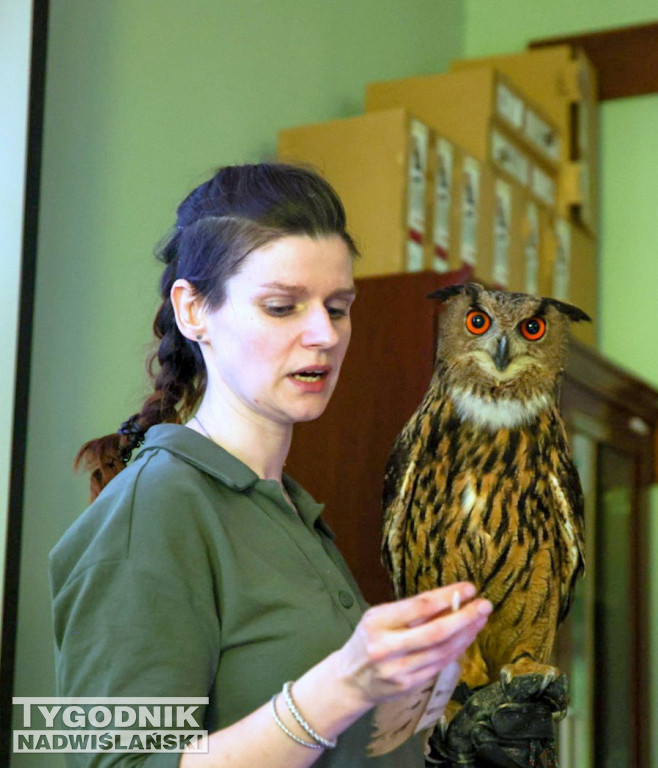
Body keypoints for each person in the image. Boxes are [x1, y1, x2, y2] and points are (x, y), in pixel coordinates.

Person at [50, 162, 493, 767]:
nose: (325, 335)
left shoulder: (287, 507)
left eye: (338, 308)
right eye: (283, 307)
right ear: (194, 311)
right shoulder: (154, 508)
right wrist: (344, 685)